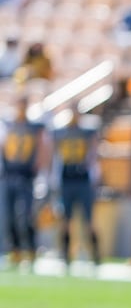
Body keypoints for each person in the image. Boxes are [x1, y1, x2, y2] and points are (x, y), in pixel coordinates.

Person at [50, 105, 102, 267]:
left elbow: (93, 154)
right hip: (67, 178)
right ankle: (65, 253)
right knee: (66, 219)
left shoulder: (88, 132)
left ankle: (95, 253)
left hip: (83, 179)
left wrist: (95, 175)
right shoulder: (61, 132)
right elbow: (56, 156)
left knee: (89, 219)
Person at [1, 92, 47, 268]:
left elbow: (42, 150)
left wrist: (42, 172)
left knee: (27, 215)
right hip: (9, 175)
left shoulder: (34, 127)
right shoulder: (7, 125)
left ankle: (32, 249)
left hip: (26, 177)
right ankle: (15, 250)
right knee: (9, 216)